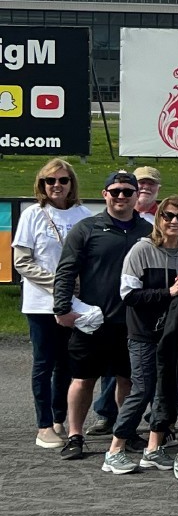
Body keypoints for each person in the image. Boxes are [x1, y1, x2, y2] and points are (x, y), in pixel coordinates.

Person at [53, 171, 153, 460]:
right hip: (92, 319)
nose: (121, 196)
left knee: (128, 380)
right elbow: (66, 270)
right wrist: (62, 309)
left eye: (127, 191)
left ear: (137, 196)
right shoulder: (87, 228)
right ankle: (75, 435)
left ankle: (127, 430)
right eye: (116, 191)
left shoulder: (147, 231)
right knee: (83, 379)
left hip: (132, 321)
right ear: (104, 194)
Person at [101, 195, 178, 475]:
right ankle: (115, 449)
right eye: (168, 216)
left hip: (174, 335)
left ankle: (154, 449)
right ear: (158, 219)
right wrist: (168, 292)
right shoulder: (141, 250)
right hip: (144, 333)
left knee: (166, 390)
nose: (174, 221)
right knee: (143, 389)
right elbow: (128, 295)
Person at [14, 159, 91, 449]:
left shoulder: (84, 215)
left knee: (68, 364)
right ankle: (43, 425)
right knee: (44, 364)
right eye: (50, 181)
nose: (56, 186)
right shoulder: (33, 215)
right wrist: (58, 285)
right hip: (40, 304)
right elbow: (23, 261)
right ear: (42, 184)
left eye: (63, 180)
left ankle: (60, 419)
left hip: (76, 303)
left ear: (72, 183)